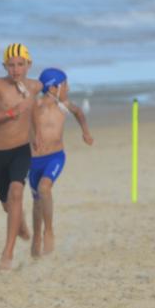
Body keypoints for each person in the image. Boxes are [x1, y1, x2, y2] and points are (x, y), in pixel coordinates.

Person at [0, 43, 41, 271]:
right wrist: (9, 113)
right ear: (4, 66)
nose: (16, 70)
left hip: (22, 148)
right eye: (11, 65)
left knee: (16, 192)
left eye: (20, 65)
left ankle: (8, 253)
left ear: (28, 65)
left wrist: (38, 136)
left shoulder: (35, 87)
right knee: (8, 204)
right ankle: (18, 220)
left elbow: (50, 99)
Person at [29, 68, 94, 257]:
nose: (68, 88)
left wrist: (86, 132)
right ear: (53, 87)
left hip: (55, 157)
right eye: (65, 84)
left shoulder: (63, 105)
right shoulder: (37, 106)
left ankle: (48, 231)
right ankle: (37, 237)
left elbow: (79, 112)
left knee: (44, 188)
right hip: (33, 160)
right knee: (37, 203)